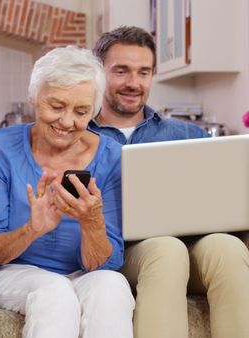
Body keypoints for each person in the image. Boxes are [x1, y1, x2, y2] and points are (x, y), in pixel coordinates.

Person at [90, 26, 249, 338]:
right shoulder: (78, 135)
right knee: (166, 249)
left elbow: (226, 195)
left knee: (228, 247)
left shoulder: (186, 134)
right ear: (99, 73)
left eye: (144, 72)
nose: (133, 83)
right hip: (117, 252)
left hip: (190, 247)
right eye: (121, 71)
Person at [0, 45, 134, 338]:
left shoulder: (112, 157)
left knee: (112, 287)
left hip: (83, 273)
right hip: (12, 274)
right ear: (34, 97)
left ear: (95, 111)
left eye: (81, 111)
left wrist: (91, 221)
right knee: (54, 291)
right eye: (56, 107)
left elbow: (107, 264)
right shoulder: (0, 148)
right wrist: (32, 229)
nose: (67, 122)